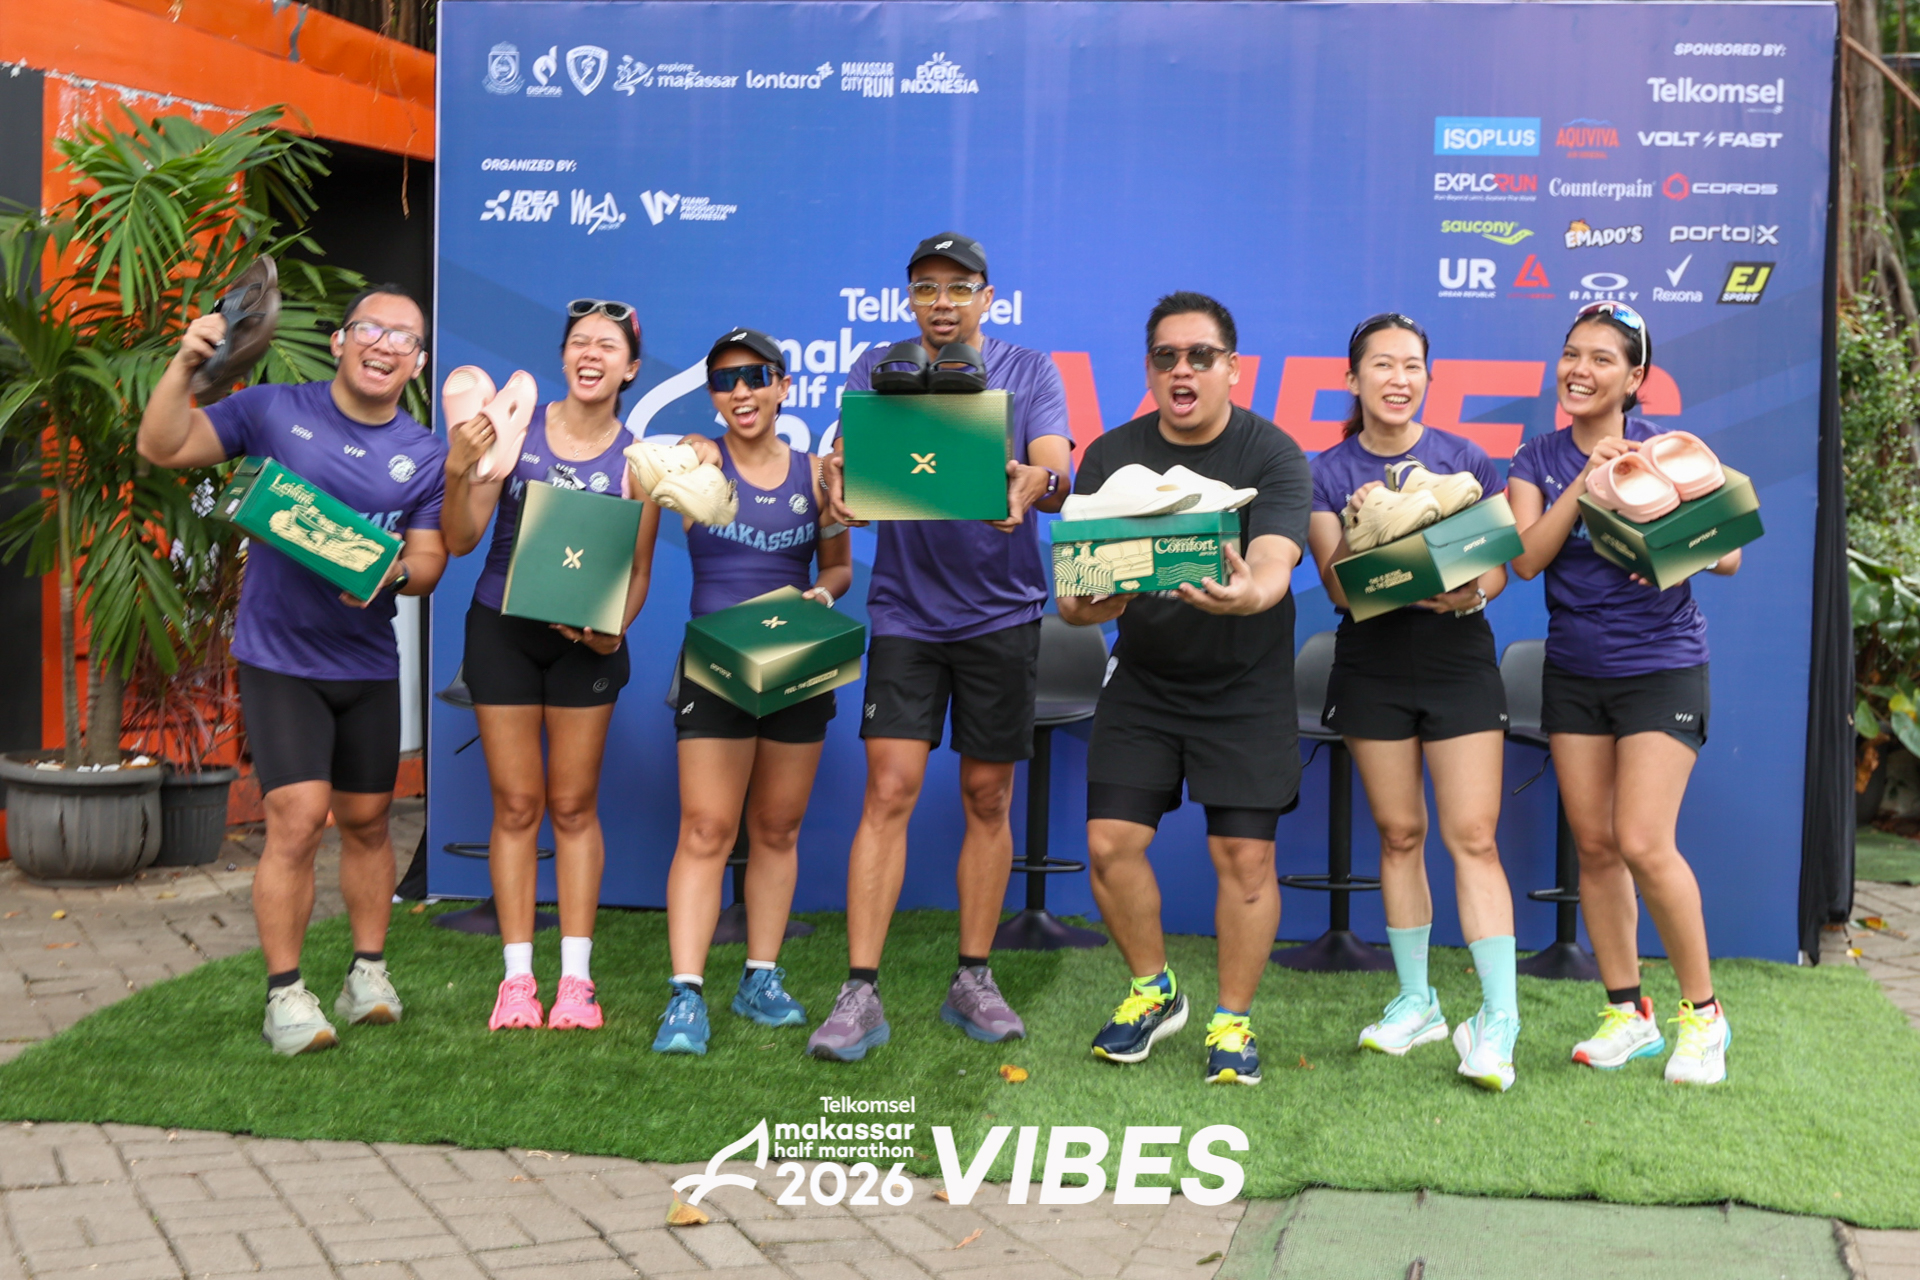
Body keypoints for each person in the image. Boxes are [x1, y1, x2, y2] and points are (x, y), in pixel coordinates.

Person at [137, 284, 448, 1055]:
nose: (384, 345)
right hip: (279, 657)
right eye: (370, 328)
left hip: (368, 661)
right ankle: (285, 996)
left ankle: (367, 974)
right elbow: (164, 446)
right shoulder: (273, 409)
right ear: (340, 341)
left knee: (369, 820)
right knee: (299, 818)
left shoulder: (426, 453)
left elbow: (428, 561)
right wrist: (182, 367)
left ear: (418, 362)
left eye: (404, 338)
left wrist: (391, 575)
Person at [807, 231, 1073, 1061]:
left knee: (988, 797)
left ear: (987, 297)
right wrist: (837, 483)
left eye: (960, 287)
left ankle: (973, 978)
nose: (943, 302)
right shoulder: (876, 368)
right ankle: (859, 992)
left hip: (1002, 614)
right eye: (927, 287)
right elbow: (847, 464)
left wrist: (1036, 481)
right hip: (906, 614)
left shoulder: (1029, 371)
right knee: (889, 789)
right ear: (910, 299)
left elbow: (1055, 470)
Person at [1058, 292, 1311, 1087]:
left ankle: (1232, 1023)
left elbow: (1274, 561)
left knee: (1244, 859)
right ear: (1149, 369)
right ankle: (1153, 990)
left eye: (1201, 356)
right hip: (1146, 679)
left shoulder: (1272, 453)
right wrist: (1092, 604)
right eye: (1166, 357)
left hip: (1246, 684)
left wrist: (1249, 593)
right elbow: (1076, 600)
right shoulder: (1111, 455)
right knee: (1110, 844)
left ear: (1232, 368)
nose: (1182, 370)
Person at [1507, 301, 1739, 1086]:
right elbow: (1527, 559)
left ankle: (1703, 1018)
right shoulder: (1536, 459)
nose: (1580, 370)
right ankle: (1627, 1013)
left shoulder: (1665, 454)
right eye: (1572, 353)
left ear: (1635, 378)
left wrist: (1667, 540)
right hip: (1575, 672)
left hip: (1662, 667)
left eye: (1602, 359)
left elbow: (1728, 556)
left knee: (1642, 841)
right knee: (1597, 847)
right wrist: (1587, 478)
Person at [1306, 312, 1522, 1091]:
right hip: (1372, 663)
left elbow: (1496, 569)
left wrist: (1470, 594)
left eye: (1412, 366)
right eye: (1383, 365)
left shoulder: (1467, 461)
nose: (1399, 379)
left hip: (1457, 657)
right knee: (1400, 834)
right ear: (1353, 378)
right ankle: (1417, 1001)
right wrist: (1368, 524)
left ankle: (1499, 1019)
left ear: (1428, 377)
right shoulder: (1327, 471)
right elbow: (1339, 586)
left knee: (1474, 837)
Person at [439, 299, 659, 1032]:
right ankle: (516, 982)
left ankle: (575, 981)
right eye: (579, 342)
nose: (590, 353)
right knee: (515, 806)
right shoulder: (513, 429)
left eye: (607, 345)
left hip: (583, 648)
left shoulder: (638, 461)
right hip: (501, 631)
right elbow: (461, 539)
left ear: (630, 368)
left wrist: (610, 634)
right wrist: (458, 470)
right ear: (563, 357)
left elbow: (638, 571)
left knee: (571, 806)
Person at [651, 329, 854, 1055]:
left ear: (782, 386)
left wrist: (819, 598)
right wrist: (689, 451)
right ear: (713, 395)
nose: (741, 391)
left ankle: (760, 978)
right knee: (706, 829)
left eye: (755, 376)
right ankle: (685, 995)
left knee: (777, 828)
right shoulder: (697, 459)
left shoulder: (816, 475)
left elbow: (839, 569)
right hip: (716, 662)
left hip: (796, 658)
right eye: (724, 380)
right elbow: (654, 464)